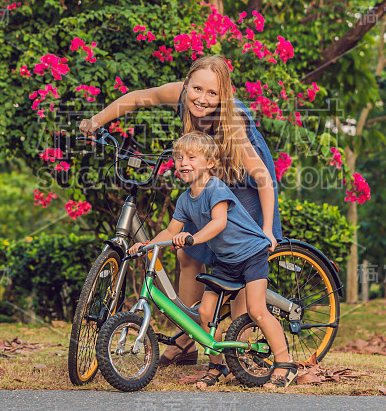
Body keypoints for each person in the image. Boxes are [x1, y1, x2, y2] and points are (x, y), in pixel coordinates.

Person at [79, 55, 283, 365]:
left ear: (223, 96)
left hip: (248, 187)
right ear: (186, 84)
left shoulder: (233, 122)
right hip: (212, 178)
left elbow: (263, 177)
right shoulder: (182, 95)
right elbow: (137, 98)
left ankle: (241, 353)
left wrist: (266, 228)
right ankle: (186, 341)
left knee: (241, 262)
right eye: (197, 89)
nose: (202, 99)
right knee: (187, 253)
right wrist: (97, 121)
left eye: (212, 93)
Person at [128, 132, 297, 389]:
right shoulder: (185, 199)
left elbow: (220, 222)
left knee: (257, 310)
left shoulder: (215, 187)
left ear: (209, 163)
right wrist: (146, 245)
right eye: (178, 158)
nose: (183, 162)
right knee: (205, 313)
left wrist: (193, 239)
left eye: (191, 157)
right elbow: (171, 232)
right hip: (226, 261)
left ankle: (285, 363)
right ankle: (218, 365)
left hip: (252, 253)